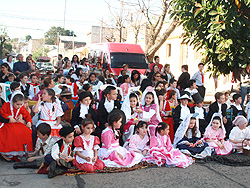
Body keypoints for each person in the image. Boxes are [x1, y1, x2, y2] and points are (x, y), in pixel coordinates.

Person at [0, 91, 32, 161]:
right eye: (17, 104)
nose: (19, 106)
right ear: (12, 102)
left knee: (26, 131)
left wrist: (29, 122)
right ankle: (8, 152)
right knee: (11, 132)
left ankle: (21, 152)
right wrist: (9, 117)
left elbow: (26, 115)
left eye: (21, 104)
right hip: (7, 123)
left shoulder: (21, 107)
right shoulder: (7, 104)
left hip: (17, 123)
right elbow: (2, 113)